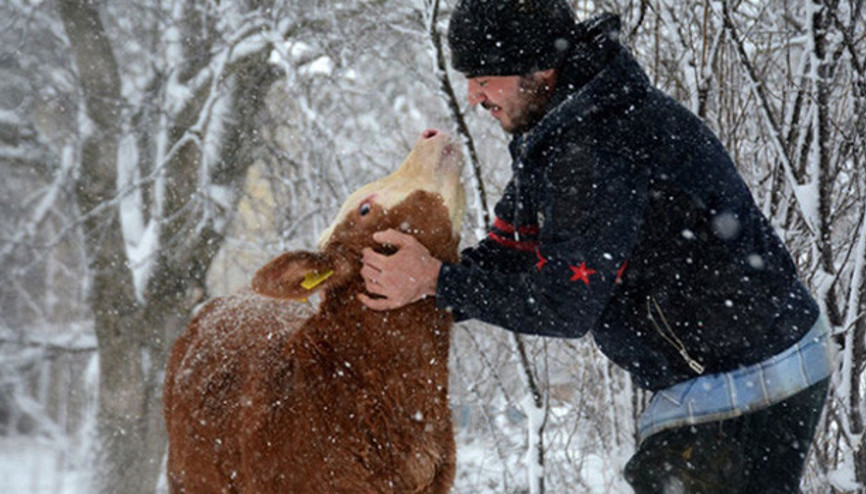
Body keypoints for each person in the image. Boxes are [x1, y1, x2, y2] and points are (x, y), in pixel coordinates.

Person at [358, 1, 833, 492]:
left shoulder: (594, 145)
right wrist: (409, 290)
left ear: (538, 67)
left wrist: (437, 281)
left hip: (755, 372)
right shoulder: (557, 127)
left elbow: (565, 304)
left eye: (483, 79)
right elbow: (511, 251)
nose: (473, 96)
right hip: (727, 369)